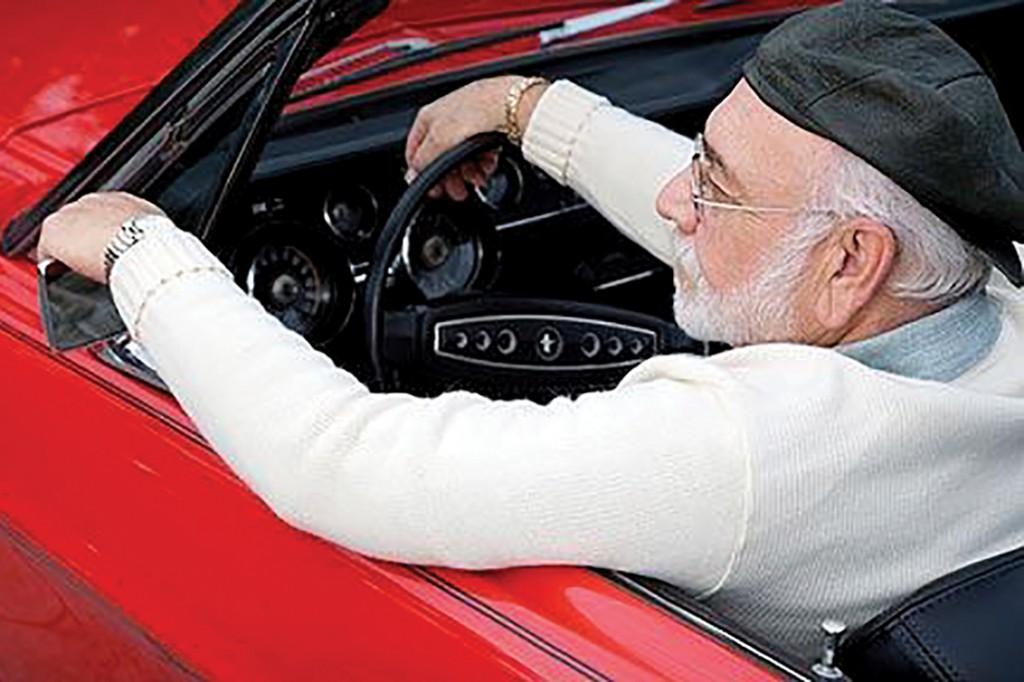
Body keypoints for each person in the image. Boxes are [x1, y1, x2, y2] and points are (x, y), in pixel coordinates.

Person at [36, 4, 1024, 659]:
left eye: (714, 180)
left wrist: (145, 250)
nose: (680, 196)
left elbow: (339, 460)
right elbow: (759, 238)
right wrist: (529, 111)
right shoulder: (990, 289)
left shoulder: (751, 448)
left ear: (854, 260)